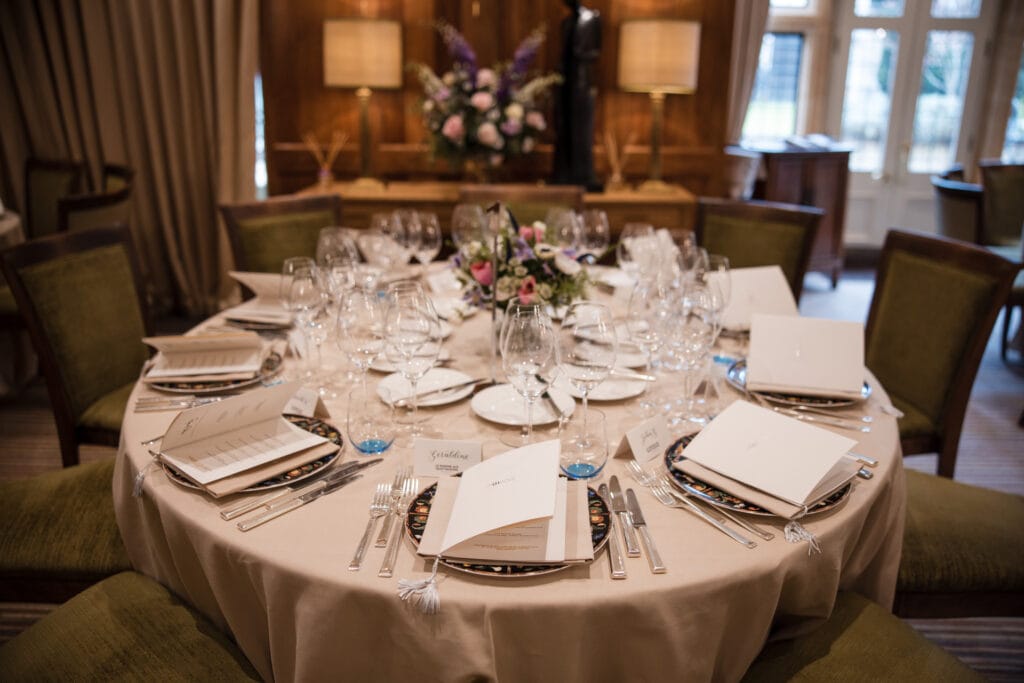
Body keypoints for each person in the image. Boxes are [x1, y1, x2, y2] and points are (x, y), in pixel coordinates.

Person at [552, 0, 602, 191]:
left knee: (582, 132)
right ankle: (564, 173)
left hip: (582, 83)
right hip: (565, 83)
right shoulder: (566, 22)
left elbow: (595, 50)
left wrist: (580, 54)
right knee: (563, 129)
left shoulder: (592, 18)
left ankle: (583, 174)